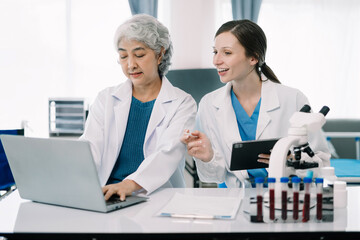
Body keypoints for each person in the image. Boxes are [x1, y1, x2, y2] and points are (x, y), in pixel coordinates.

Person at [181, 19, 330, 187]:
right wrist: (208, 156)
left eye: (227, 53)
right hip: (232, 198)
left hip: (283, 195)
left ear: (253, 57)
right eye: (215, 52)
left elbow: (322, 162)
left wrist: (289, 159)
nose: (216, 60)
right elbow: (213, 177)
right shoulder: (209, 104)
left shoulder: (293, 99)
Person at [80, 14, 196, 200]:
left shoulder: (182, 103)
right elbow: (89, 148)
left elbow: (168, 153)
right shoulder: (106, 99)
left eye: (139, 55)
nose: (131, 64)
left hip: (157, 196)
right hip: (109, 194)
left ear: (160, 54)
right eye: (123, 56)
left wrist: (129, 184)